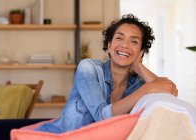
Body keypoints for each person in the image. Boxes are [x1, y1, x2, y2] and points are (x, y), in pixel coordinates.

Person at [35, 14, 178, 134]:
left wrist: (139, 67)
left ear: (141, 52)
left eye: (133, 41)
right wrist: (146, 90)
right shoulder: (88, 68)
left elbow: (169, 94)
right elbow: (102, 118)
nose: (125, 45)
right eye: (119, 38)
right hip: (57, 136)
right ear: (109, 45)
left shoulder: (137, 82)